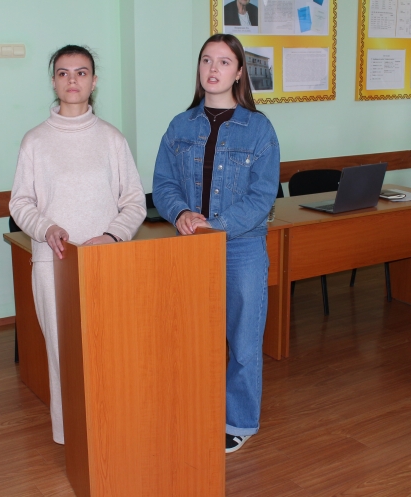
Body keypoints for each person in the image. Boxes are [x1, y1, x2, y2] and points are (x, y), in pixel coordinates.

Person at [9, 45, 146, 444]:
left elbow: (134, 202)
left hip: (105, 263)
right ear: (53, 82)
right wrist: (46, 228)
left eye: (81, 72)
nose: (73, 80)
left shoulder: (112, 139)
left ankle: (112, 432)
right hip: (54, 263)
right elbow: (20, 202)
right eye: (64, 73)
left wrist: (112, 235)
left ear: (94, 81)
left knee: (110, 350)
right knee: (64, 354)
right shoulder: (35, 141)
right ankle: (72, 440)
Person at [152, 34, 280, 454]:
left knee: (243, 341)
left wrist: (216, 225)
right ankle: (194, 408)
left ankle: (238, 421)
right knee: (190, 337)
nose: (213, 68)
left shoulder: (259, 129)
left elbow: (262, 197)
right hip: (190, 246)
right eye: (207, 60)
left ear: (239, 72)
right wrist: (181, 213)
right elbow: (163, 184)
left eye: (224, 62)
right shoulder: (180, 126)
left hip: (242, 247)